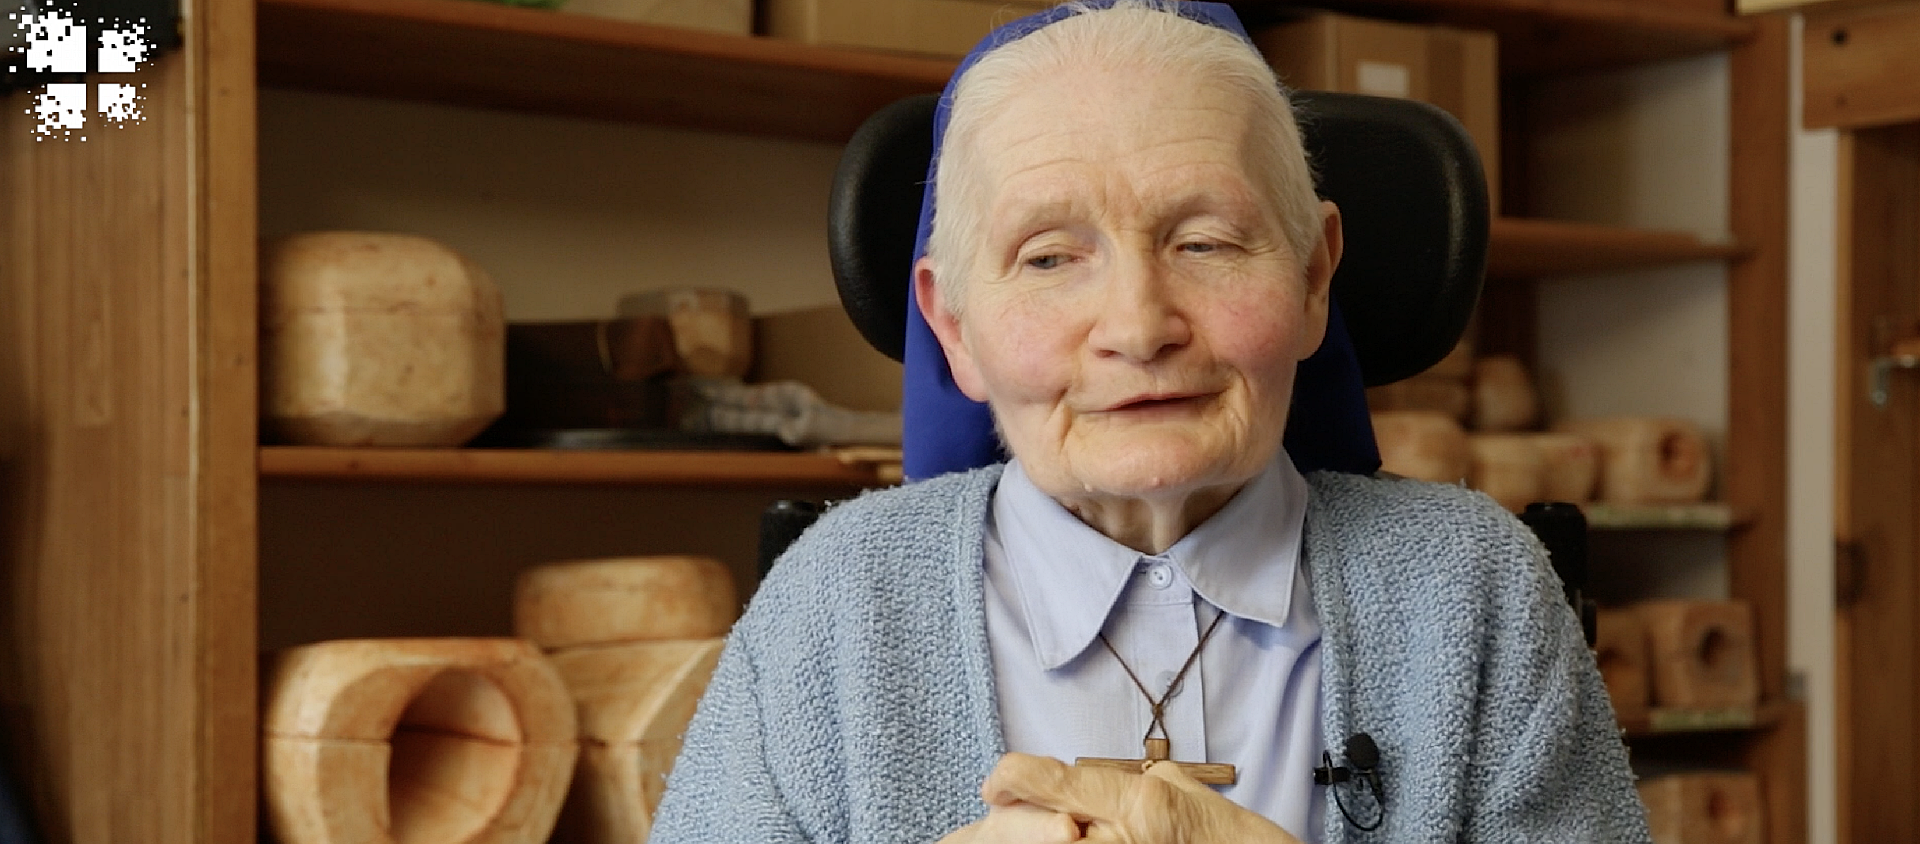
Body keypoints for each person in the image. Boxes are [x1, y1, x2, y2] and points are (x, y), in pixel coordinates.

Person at [648, 2, 1651, 842]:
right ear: (952, 325)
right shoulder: (832, 602)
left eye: (1207, 242)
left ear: (1310, 281)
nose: (1138, 326)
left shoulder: (1477, 589)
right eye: (1048, 257)